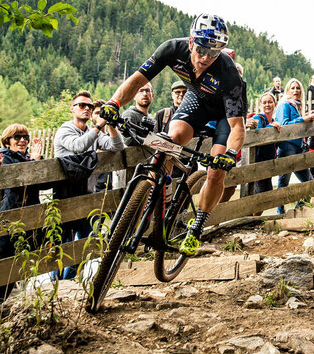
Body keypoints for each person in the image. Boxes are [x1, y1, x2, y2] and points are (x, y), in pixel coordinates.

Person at [99, 13, 246, 256]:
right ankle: (153, 194)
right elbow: (137, 80)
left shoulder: (228, 72)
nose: (206, 58)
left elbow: (237, 126)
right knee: (171, 138)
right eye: (201, 50)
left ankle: (197, 225)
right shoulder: (172, 49)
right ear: (191, 42)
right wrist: (113, 103)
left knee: (216, 169)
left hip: (225, 114)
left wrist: (231, 153)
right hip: (197, 99)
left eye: (214, 53)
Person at [54, 91, 125, 279]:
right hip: (65, 196)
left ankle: (69, 280)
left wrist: (111, 125)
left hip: (86, 196)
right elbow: (79, 146)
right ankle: (56, 283)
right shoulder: (65, 130)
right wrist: (99, 126)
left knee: (88, 243)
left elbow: (117, 147)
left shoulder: (91, 132)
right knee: (63, 246)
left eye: (90, 106)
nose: (86, 108)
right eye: (82, 105)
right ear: (72, 108)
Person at [0, 124, 47, 305]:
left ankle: (20, 302)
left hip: (31, 218)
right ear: (7, 141)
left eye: (25, 137)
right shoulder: (3, 157)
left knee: (28, 259)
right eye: (17, 137)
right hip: (10, 218)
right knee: (6, 263)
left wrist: (37, 161)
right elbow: (0, 193)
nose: (22, 140)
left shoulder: (29, 158)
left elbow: (44, 183)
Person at [274, 78, 314, 214]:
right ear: (287, 90)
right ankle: (280, 213)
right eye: (292, 88)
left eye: (298, 88)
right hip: (287, 147)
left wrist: (305, 118)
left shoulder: (296, 106)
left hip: (298, 148)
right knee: (283, 182)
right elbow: (284, 125)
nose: (295, 90)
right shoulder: (284, 105)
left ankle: (298, 208)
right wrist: (302, 119)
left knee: (309, 182)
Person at [246, 93, 282, 198]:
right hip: (258, 162)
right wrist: (270, 127)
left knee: (267, 193)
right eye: (264, 102)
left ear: (275, 104)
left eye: (270, 102)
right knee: (261, 194)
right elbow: (258, 137)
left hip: (268, 162)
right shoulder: (258, 118)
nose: (267, 105)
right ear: (260, 105)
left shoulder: (274, 121)